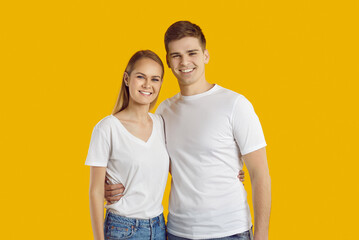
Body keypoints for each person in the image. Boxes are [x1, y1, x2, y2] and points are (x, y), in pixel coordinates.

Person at [106, 21, 271, 240]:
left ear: (205, 56)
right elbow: (148, 161)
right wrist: (110, 187)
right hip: (177, 231)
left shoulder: (235, 104)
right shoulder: (163, 111)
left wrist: (261, 235)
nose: (184, 62)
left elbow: (260, 174)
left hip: (229, 231)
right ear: (168, 61)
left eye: (192, 53)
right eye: (176, 55)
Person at [86, 50, 169, 240]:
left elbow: (183, 163)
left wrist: (229, 168)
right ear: (126, 78)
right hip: (123, 228)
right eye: (141, 77)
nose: (148, 85)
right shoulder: (107, 128)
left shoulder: (161, 123)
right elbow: (96, 191)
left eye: (155, 79)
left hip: (159, 227)